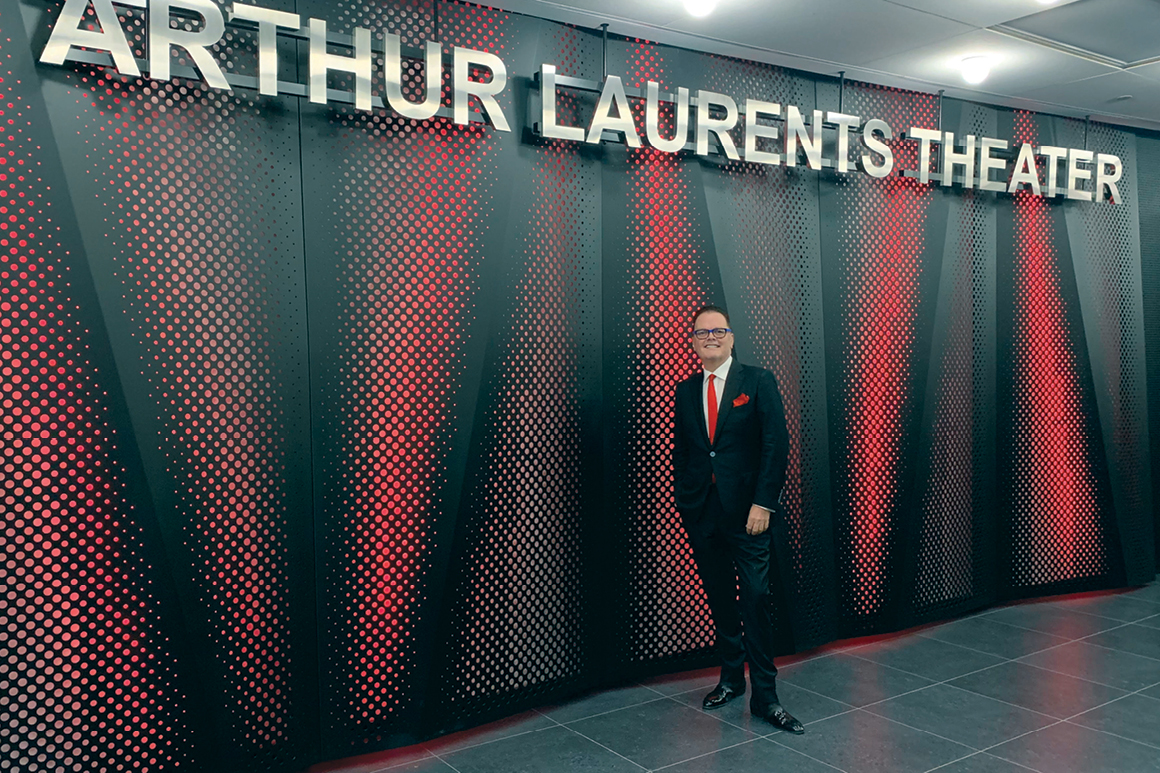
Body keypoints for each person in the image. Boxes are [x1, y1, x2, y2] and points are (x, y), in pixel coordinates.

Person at [671, 304, 804, 734]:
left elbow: (775, 444)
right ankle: (731, 680)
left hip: (750, 516)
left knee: (755, 598)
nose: (710, 337)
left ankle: (766, 697)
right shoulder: (686, 390)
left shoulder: (758, 381)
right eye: (701, 332)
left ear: (731, 338)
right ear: (693, 341)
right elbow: (687, 451)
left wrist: (764, 503)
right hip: (703, 513)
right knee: (719, 600)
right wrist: (686, 501)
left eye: (718, 330)